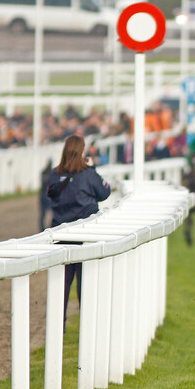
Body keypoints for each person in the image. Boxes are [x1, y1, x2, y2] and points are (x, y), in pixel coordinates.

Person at [45, 134, 111, 330]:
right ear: (82, 152)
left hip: (61, 233)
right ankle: (87, 324)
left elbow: (49, 196)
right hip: (85, 234)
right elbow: (104, 192)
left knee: (62, 282)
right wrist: (92, 169)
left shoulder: (54, 175)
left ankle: (59, 324)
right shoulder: (88, 174)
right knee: (85, 280)